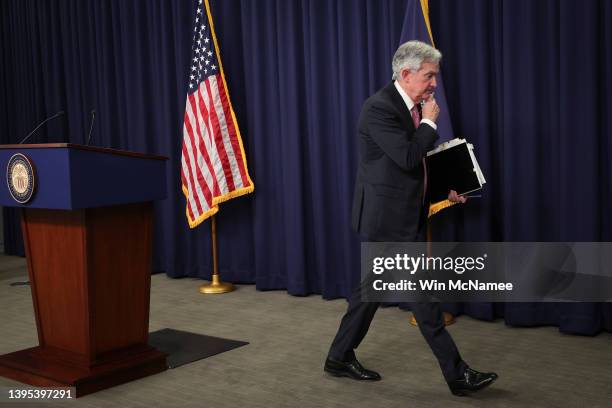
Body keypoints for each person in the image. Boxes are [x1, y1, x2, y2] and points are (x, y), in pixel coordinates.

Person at [324, 41, 498, 396]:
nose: (434, 84)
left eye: (435, 76)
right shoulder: (379, 108)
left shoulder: (411, 107)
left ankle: (339, 357)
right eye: (429, 76)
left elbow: (413, 168)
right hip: (387, 221)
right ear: (406, 74)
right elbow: (406, 156)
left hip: (404, 215)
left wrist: (444, 188)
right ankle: (457, 375)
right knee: (425, 300)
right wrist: (431, 122)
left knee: (367, 295)